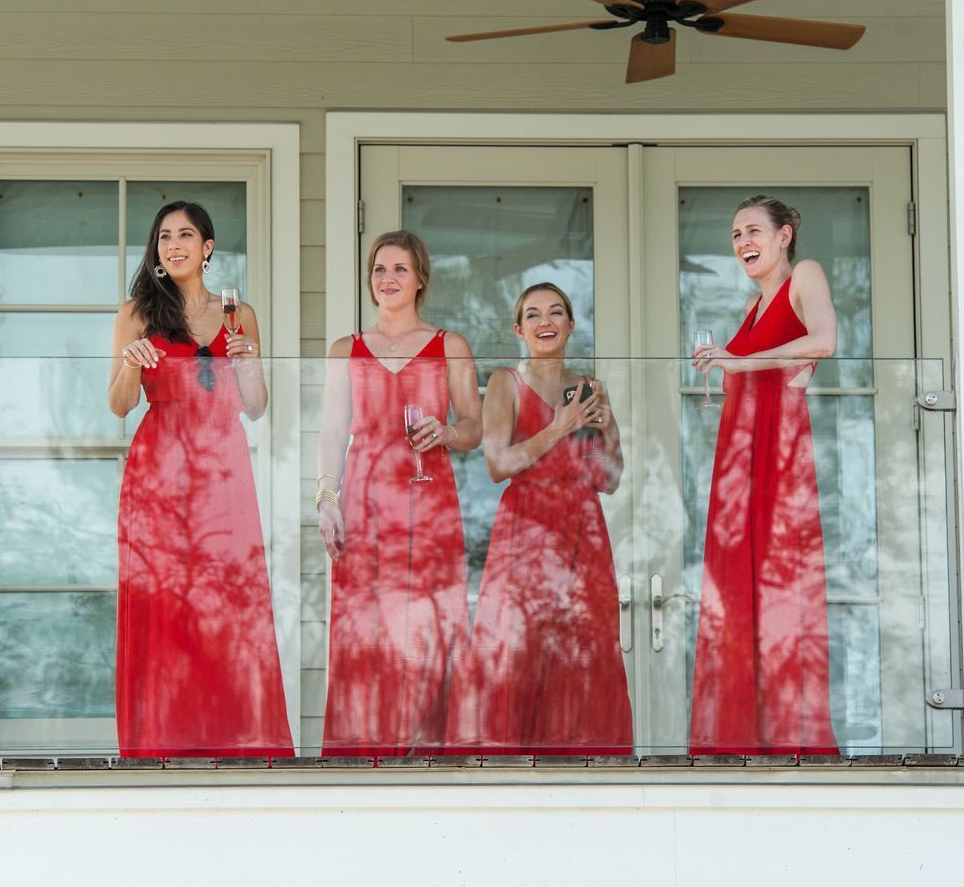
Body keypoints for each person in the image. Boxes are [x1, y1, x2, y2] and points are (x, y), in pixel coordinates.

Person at [110, 201, 293, 757]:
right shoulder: (137, 312)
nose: (174, 245)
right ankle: (162, 744)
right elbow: (118, 406)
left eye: (186, 234)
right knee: (167, 605)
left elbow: (257, 408)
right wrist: (132, 364)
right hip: (160, 468)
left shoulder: (240, 314)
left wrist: (249, 364)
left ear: (208, 247)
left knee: (228, 601)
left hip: (223, 466)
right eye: (164, 236)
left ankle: (236, 743)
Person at [317, 230, 482, 755]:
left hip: (428, 500)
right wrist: (326, 500)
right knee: (367, 630)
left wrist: (447, 431)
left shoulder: (449, 346)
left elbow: (474, 428)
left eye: (399, 270)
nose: (387, 279)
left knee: (427, 627)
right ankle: (365, 758)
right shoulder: (346, 349)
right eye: (379, 270)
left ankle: (429, 757)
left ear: (419, 280)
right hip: (363, 501)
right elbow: (330, 431)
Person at [689, 194, 840, 756]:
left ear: (784, 235)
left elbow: (824, 339)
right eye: (734, 236)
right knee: (737, 598)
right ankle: (742, 743)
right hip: (739, 461)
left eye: (752, 230)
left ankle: (792, 744)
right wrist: (727, 360)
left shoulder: (805, 274)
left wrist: (741, 361)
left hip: (777, 453)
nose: (742, 243)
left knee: (781, 589)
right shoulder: (752, 309)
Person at [457, 283, 632, 754]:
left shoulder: (591, 388)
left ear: (572, 325)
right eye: (532, 315)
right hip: (527, 529)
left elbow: (608, 479)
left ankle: (584, 772)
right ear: (519, 329)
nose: (545, 321)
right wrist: (559, 427)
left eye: (556, 312)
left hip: (582, 531)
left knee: (583, 651)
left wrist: (609, 430)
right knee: (521, 650)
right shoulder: (504, 384)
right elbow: (498, 465)